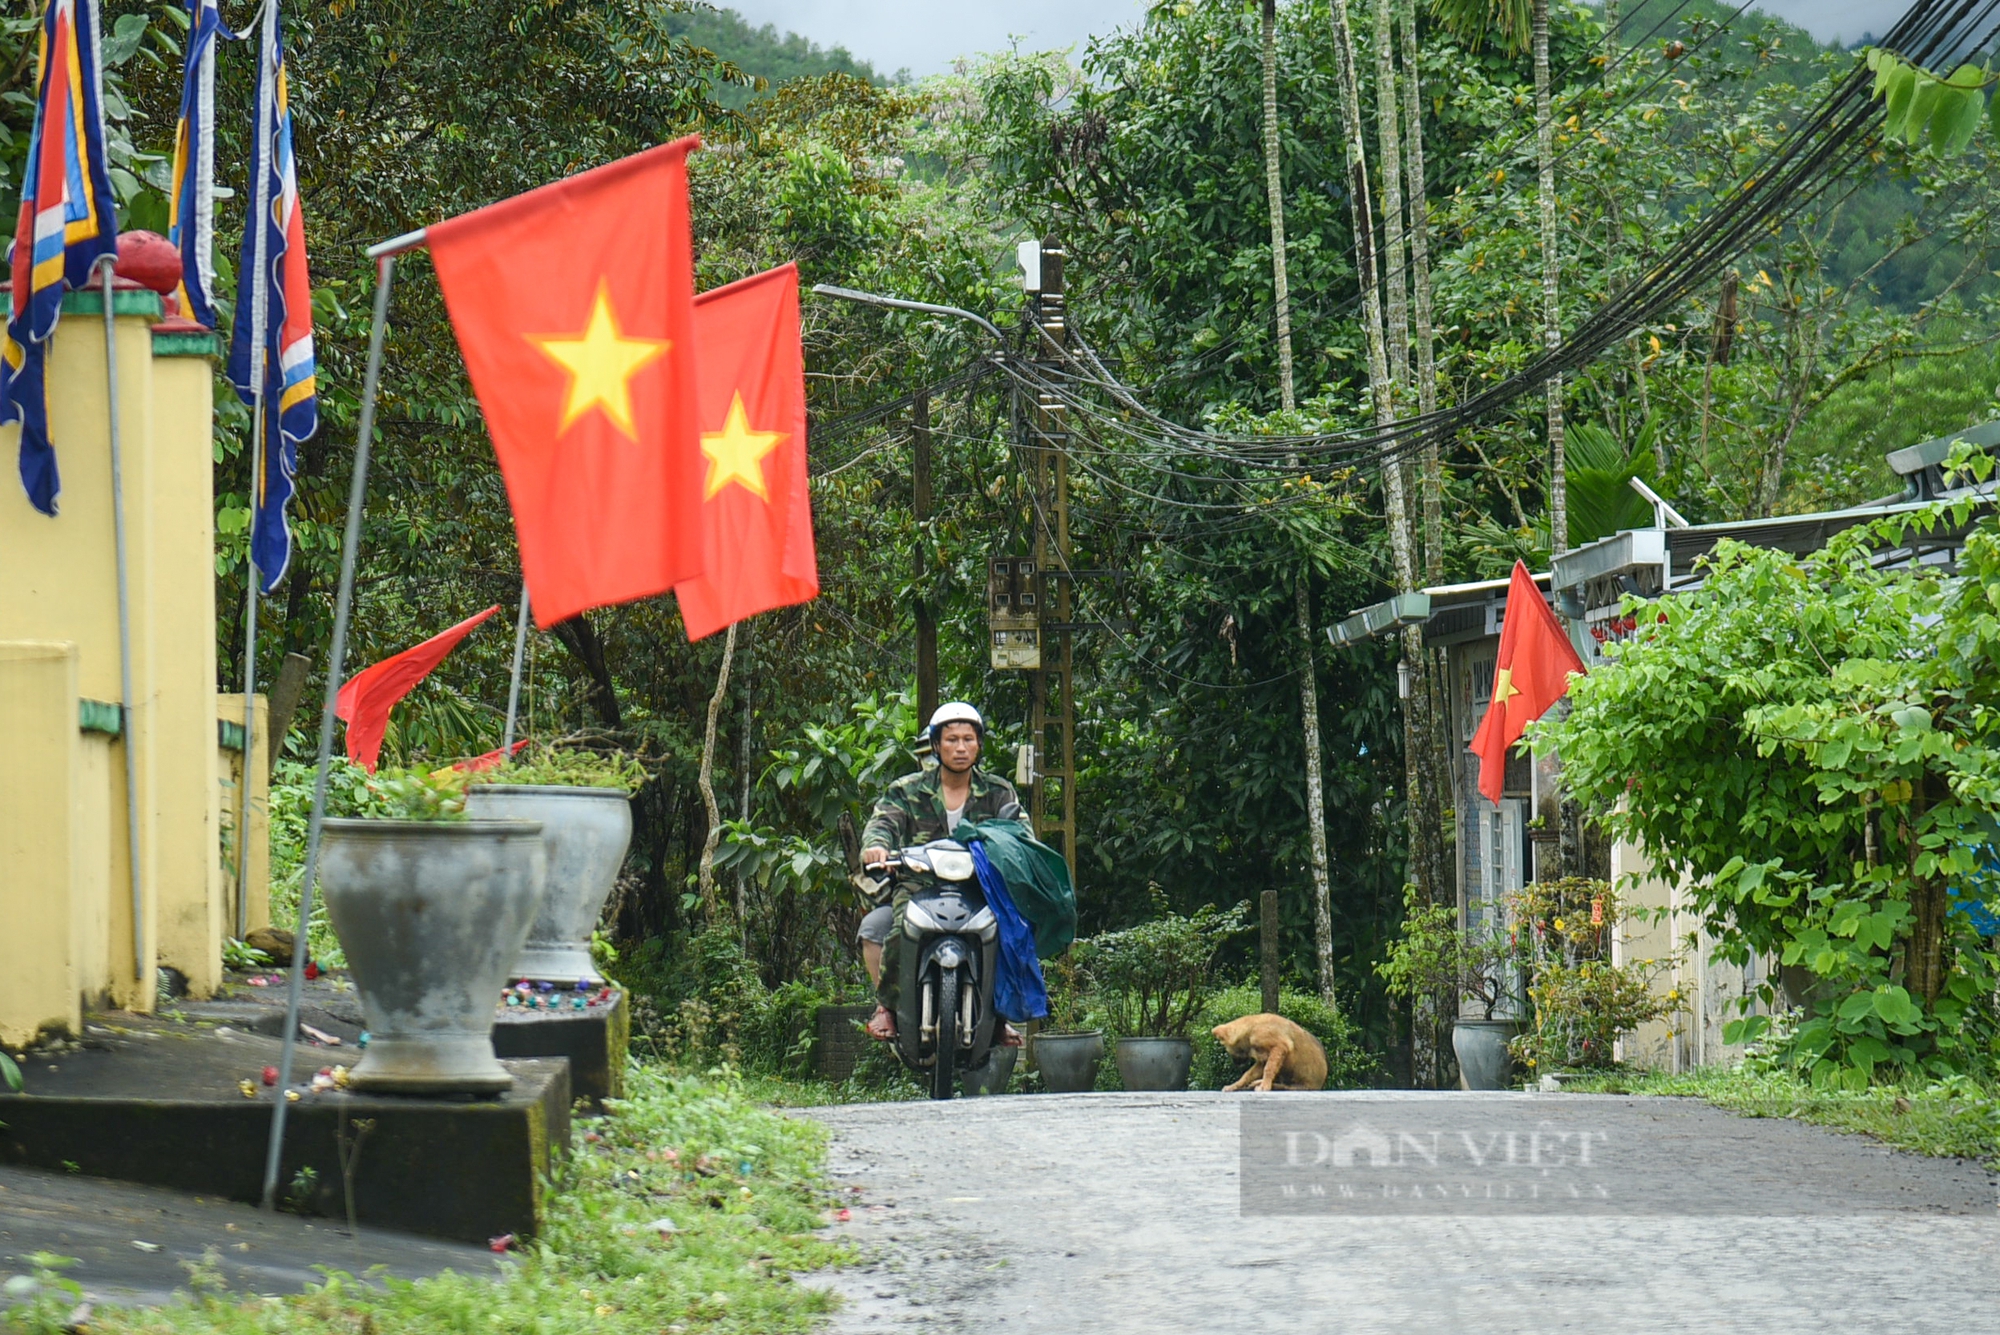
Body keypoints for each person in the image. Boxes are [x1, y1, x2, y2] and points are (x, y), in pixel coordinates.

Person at [857, 701, 1025, 1041]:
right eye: (951, 740)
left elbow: (1020, 831)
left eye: (968, 739)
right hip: (919, 884)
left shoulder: (999, 791)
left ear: (978, 745)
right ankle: (887, 1007)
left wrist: (1021, 852)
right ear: (936, 745)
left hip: (981, 887)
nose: (960, 748)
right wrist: (875, 847)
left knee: (1011, 933)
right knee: (897, 929)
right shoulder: (906, 790)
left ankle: (999, 1016)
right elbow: (882, 823)